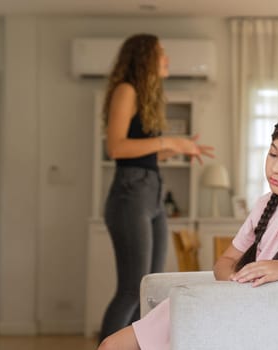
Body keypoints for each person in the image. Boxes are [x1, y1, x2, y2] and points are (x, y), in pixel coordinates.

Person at [98, 111, 278, 350]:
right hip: (237, 303)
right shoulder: (265, 204)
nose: (275, 168)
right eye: (273, 153)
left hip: (271, 314)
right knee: (111, 345)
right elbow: (224, 262)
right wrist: (235, 284)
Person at [99, 33, 214, 342]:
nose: (167, 59)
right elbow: (116, 147)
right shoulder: (126, 90)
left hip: (150, 191)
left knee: (149, 286)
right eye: (161, 53)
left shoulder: (146, 96)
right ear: (144, 58)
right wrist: (169, 141)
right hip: (130, 193)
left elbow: (144, 153)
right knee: (130, 287)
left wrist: (178, 149)